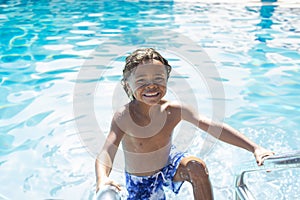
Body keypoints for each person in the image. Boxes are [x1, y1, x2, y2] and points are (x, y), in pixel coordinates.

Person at [95, 48, 274, 200]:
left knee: (196, 167)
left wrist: (254, 148)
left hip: (169, 164)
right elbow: (107, 151)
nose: (151, 86)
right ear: (127, 85)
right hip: (141, 180)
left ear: (166, 79)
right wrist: (102, 178)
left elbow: (214, 127)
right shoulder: (125, 116)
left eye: (158, 78)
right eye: (142, 81)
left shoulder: (173, 110)